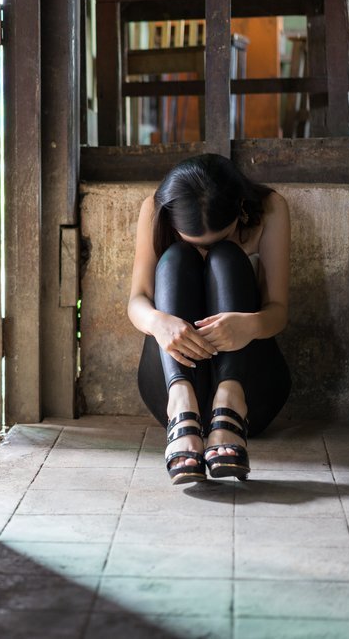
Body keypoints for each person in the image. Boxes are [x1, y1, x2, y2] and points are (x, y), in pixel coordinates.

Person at [126, 154, 291, 484]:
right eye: (195, 241)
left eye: (219, 236)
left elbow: (279, 310)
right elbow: (137, 301)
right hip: (176, 393)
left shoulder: (270, 208)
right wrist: (159, 322)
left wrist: (249, 325)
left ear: (240, 208)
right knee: (176, 258)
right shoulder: (156, 208)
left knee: (227, 258)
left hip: (250, 390)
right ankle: (182, 404)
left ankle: (230, 403)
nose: (205, 250)